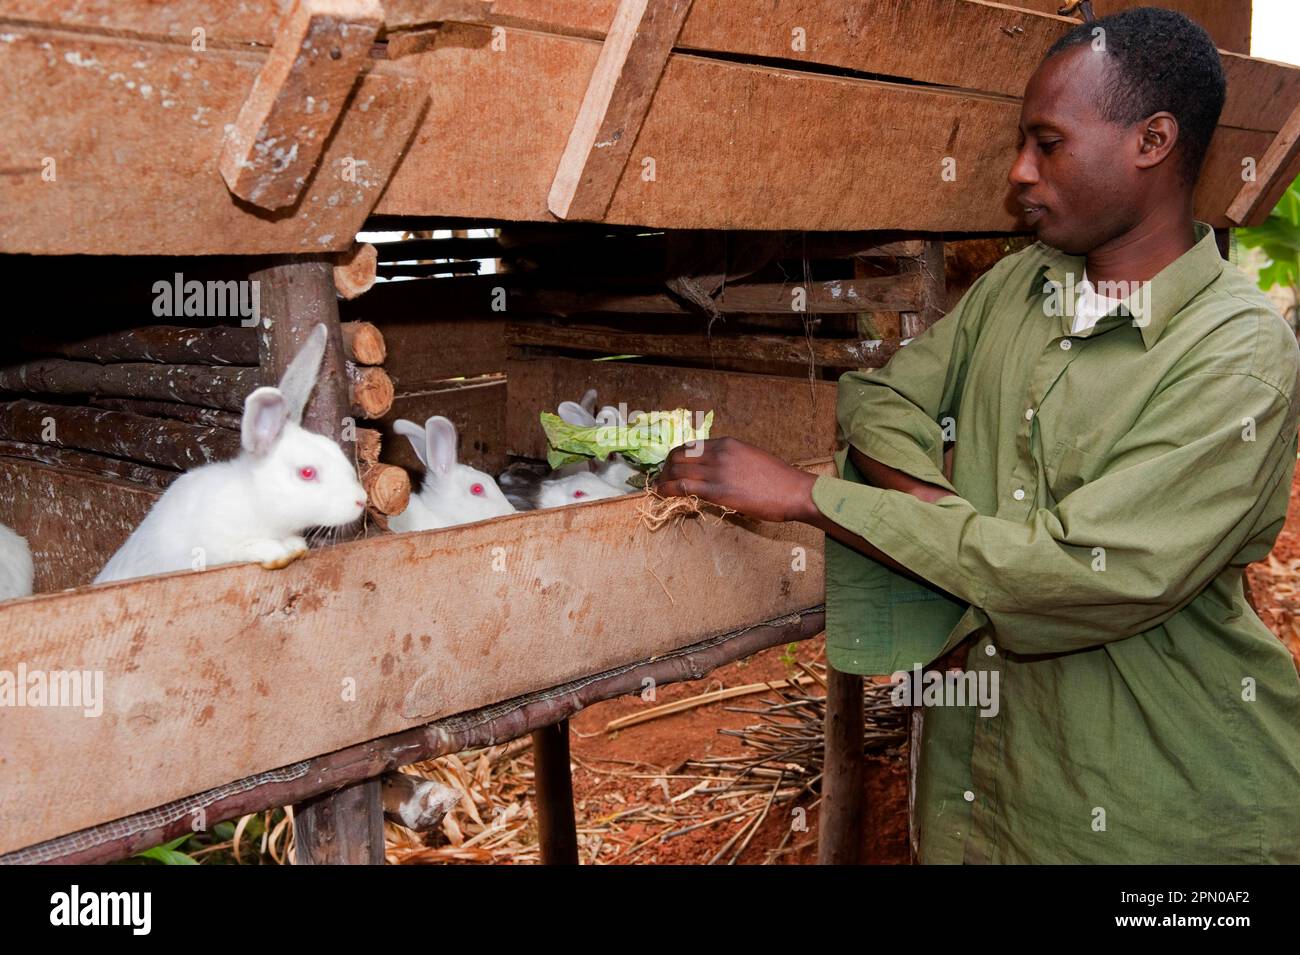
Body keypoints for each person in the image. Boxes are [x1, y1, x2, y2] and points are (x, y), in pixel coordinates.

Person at [655, 7, 1300, 863]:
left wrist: (812, 498)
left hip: (1159, 819)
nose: (1018, 173)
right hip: (985, 801)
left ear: (1152, 141)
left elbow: (1076, 575)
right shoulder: (1023, 284)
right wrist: (941, 515)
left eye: (1049, 142)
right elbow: (883, 402)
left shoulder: (1238, 354)